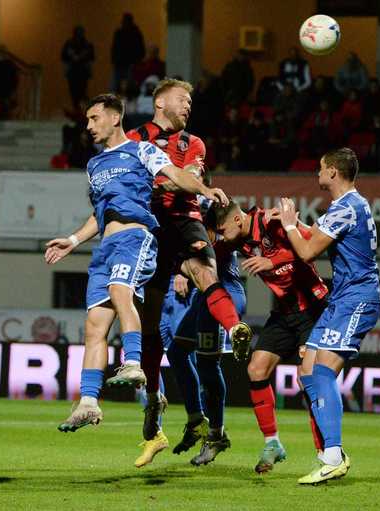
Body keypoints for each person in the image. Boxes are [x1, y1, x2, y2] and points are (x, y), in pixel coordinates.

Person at [43, 93, 229, 439]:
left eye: (94, 118)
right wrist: (72, 240)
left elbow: (176, 174)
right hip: (106, 247)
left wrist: (204, 188)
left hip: (136, 238)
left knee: (119, 292)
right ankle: (87, 401)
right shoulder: (94, 165)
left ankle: (133, 363)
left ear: (115, 118)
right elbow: (100, 215)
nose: (88, 126)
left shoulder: (140, 149)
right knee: (94, 325)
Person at [126, 79, 252, 466]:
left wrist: (177, 181)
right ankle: (156, 403)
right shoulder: (133, 138)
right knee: (159, 333)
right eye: (184, 99)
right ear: (160, 101)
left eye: (192, 101)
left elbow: (183, 181)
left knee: (205, 274)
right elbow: (143, 179)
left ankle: (234, 329)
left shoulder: (192, 144)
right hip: (150, 226)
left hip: (183, 221)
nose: (189, 106)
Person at [278, 147, 380, 484]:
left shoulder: (346, 207)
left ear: (333, 172)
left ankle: (333, 455)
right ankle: (329, 452)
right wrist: (291, 226)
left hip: (357, 299)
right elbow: (317, 235)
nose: (317, 173)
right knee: (307, 368)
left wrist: (291, 226)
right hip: (342, 300)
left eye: (321, 168)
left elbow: (307, 250)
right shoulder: (349, 206)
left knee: (322, 369)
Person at [212, 200, 329, 474]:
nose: (220, 233)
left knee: (308, 378)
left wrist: (272, 259)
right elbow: (211, 251)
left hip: (312, 308)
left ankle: (326, 453)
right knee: (256, 368)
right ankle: (272, 443)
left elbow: (311, 247)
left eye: (222, 229)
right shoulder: (236, 240)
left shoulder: (272, 221)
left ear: (238, 221)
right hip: (284, 312)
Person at [163, 202, 246, 467]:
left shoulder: (210, 220)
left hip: (224, 296)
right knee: (177, 352)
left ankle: (215, 434)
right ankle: (196, 419)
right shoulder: (193, 216)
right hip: (204, 299)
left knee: (208, 365)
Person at [61, 26, 95, 107]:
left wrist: (90, 71)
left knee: (81, 91)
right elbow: (64, 58)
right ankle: (78, 108)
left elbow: (91, 59)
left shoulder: (87, 45)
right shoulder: (69, 44)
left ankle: (81, 108)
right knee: (74, 92)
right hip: (73, 71)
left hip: (82, 72)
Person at [110, 13, 145, 89]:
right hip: (126, 63)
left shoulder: (120, 33)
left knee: (118, 86)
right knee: (126, 86)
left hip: (126, 63)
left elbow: (114, 48)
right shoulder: (135, 33)